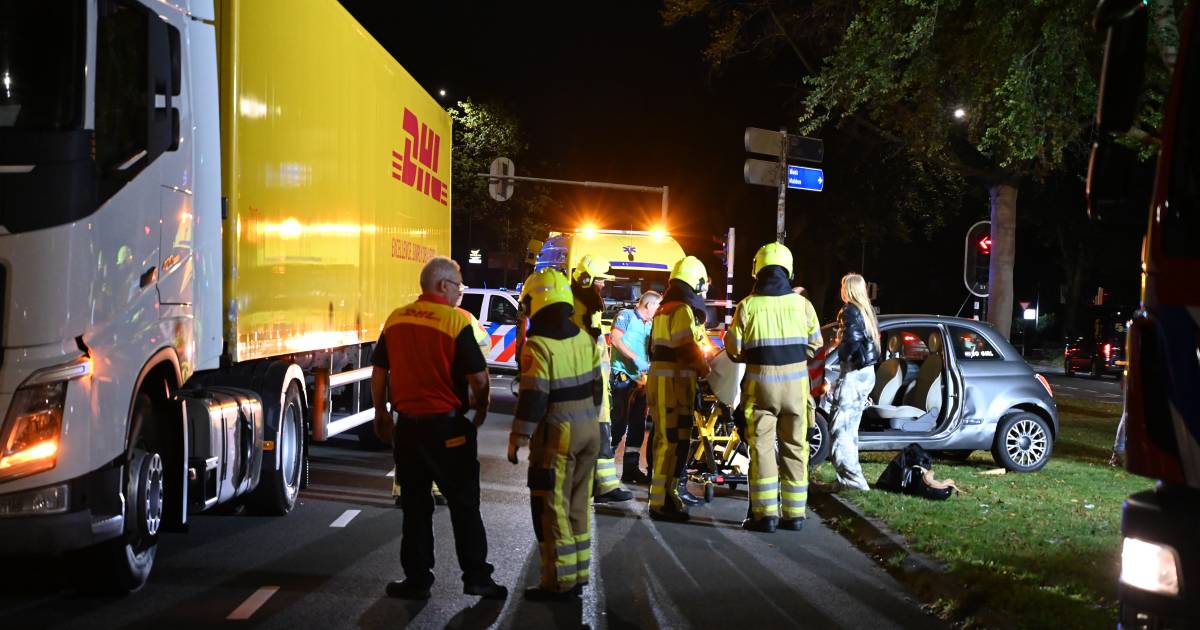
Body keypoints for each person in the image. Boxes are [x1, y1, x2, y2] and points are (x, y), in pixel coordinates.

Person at [370, 256, 507, 601]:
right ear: (443, 285)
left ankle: (416, 580)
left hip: (407, 430)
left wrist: (380, 412)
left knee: (415, 506)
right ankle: (476, 577)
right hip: (447, 430)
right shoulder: (454, 321)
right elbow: (479, 377)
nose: (460, 292)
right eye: (458, 285)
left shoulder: (396, 318)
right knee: (464, 505)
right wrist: (482, 408)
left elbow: (380, 370)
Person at [507, 268, 604, 601]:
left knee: (553, 506)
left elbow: (534, 398)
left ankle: (559, 581)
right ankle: (579, 573)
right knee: (578, 503)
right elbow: (597, 388)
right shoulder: (584, 338)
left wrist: (519, 437)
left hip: (559, 434)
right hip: (590, 430)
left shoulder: (537, 346)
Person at [725, 243, 823, 533]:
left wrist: (753, 355)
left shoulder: (748, 305)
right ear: (788, 270)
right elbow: (815, 344)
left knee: (763, 449)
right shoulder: (802, 305)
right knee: (796, 448)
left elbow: (734, 349)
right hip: (796, 390)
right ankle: (795, 515)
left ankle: (765, 515)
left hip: (761, 388)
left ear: (757, 271)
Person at [391, 289, 489, 508]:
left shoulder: (410, 315)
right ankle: (436, 490)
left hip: (412, 392)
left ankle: (403, 491)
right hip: (443, 395)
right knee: (439, 445)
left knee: (409, 444)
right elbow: (484, 343)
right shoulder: (462, 318)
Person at [646, 256, 712, 522]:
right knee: (671, 442)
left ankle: (665, 496)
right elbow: (686, 349)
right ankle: (661, 503)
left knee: (668, 442)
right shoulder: (682, 310)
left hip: (663, 384)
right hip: (673, 386)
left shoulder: (663, 309)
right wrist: (705, 370)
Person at [571, 254, 634, 504]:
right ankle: (595, 486)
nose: (604, 285)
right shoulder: (577, 308)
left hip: (595, 383)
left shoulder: (588, 306)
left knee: (600, 433)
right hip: (586, 384)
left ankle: (602, 485)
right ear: (587, 280)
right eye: (600, 280)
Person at [827, 273, 880, 491]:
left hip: (854, 374)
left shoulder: (850, 310)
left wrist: (840, 354)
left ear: (848, 289)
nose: (841, 290)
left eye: (843, 286)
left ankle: (852, 481)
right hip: (865, 373)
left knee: (840, 428)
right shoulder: (866, 311)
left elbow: (852, 341)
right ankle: (846, 479)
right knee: (850, 429)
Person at [610, 291, 660, 484]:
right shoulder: (626, 316)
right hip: (623, 378)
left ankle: (630, 471)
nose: (658, 310)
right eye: (657, 306)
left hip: (641, 381)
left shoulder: (650, 324)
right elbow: (615, 339)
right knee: (618, 424)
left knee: (638, 426)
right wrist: (635, 358)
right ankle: (602, 471)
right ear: (648, 305)